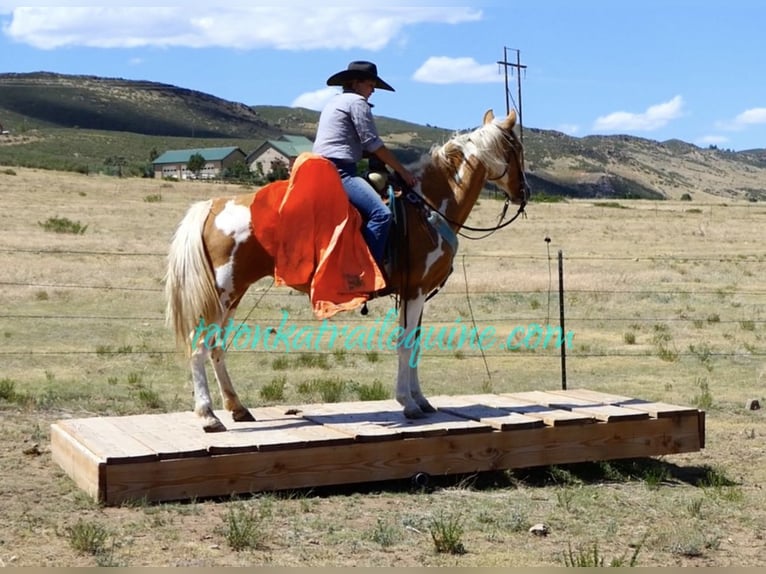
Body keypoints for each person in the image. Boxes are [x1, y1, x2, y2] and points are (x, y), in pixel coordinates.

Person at [313, 60, 417, 270]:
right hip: (340, 172)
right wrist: (402, 171)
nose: (373, 91)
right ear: (356, 83)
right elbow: (373, 143)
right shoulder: (357, 102)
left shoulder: (335, 102)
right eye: (370, 85)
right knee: (382, 214)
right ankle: (364, 271)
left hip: (324, 168)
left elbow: (356, 144)